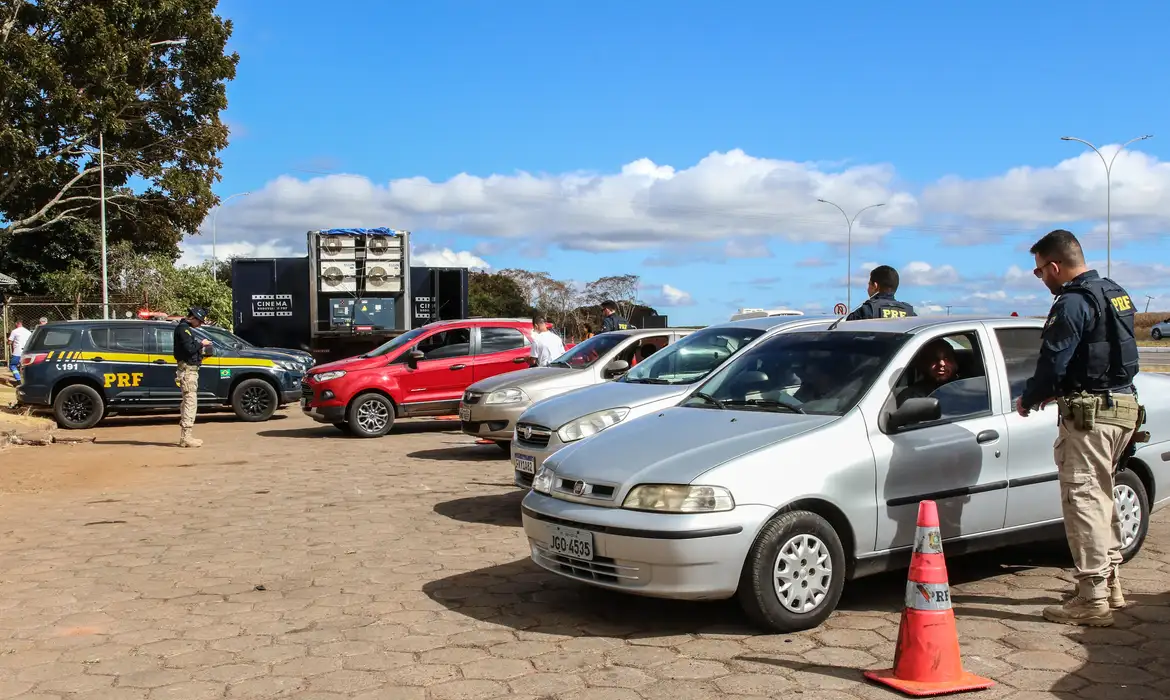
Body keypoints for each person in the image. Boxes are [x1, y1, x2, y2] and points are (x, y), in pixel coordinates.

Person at [1016, 229, 1143, 627]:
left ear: (1055, 266)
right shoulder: (1114, 292)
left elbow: (1053, 361)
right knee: (1102, 497)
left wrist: (1030, 398)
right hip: (1124, 408)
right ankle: (1111, 586)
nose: (1041, 280)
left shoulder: (1071, 302)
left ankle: (1091, 598)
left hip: (1091, 417)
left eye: (1040, 272)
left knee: (1083, 501)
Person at [174, 307, 213, 448]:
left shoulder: (185, 329)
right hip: (188, 371)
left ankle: (186, 436)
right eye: (200, 321)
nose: (200, 324)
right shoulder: (183, 330)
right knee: (190, 402)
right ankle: (186, 437)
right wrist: (201, 344)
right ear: (194, 318)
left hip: (189, 370)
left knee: (187, 401)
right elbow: (189, 349)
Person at [896, 339, 959, 405]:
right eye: (934, 359)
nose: (942, 363)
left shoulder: (966, 386)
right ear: (924, 364)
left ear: (955, 363)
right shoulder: (912, 396)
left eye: (947, 358)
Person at [845, 265, 917, 320]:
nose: (868, 288)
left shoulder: (865, 311)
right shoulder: (910, 314)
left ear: (875, 286)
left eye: (869, 284)